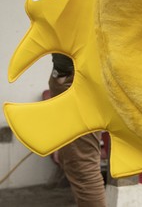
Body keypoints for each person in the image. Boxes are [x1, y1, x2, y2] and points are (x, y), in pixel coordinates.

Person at [49, 53, 107, 207]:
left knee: (83, 168)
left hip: (78, 75)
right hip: (92, 73)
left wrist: (64, 72)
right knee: (77, 162)